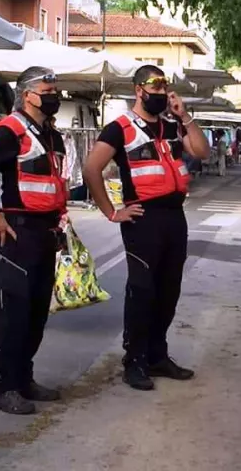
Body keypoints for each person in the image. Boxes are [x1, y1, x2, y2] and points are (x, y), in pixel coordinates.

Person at [83, 65, 210, 391]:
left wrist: (185, 116)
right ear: (139, 90)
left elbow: (201, 151)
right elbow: (91, 167)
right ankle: (134, 360)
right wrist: (112, 212)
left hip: (174, 217)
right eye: (154, 91)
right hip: (143, 219)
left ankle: (157, 354)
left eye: (164, 92)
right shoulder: (120, 128)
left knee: (169, 290)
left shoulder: (170, 126)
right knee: (142, 290)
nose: (161, 97)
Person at [0, 66, 67, 416]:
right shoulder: (10, 130)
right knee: (13, 312)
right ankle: (2, 387)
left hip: (45, 232)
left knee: (36, 311)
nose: (54, 94)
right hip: (15, 232)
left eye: (55, 88)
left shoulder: (51, 135)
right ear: (27, 95)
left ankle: (23, 378)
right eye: (47, 89)